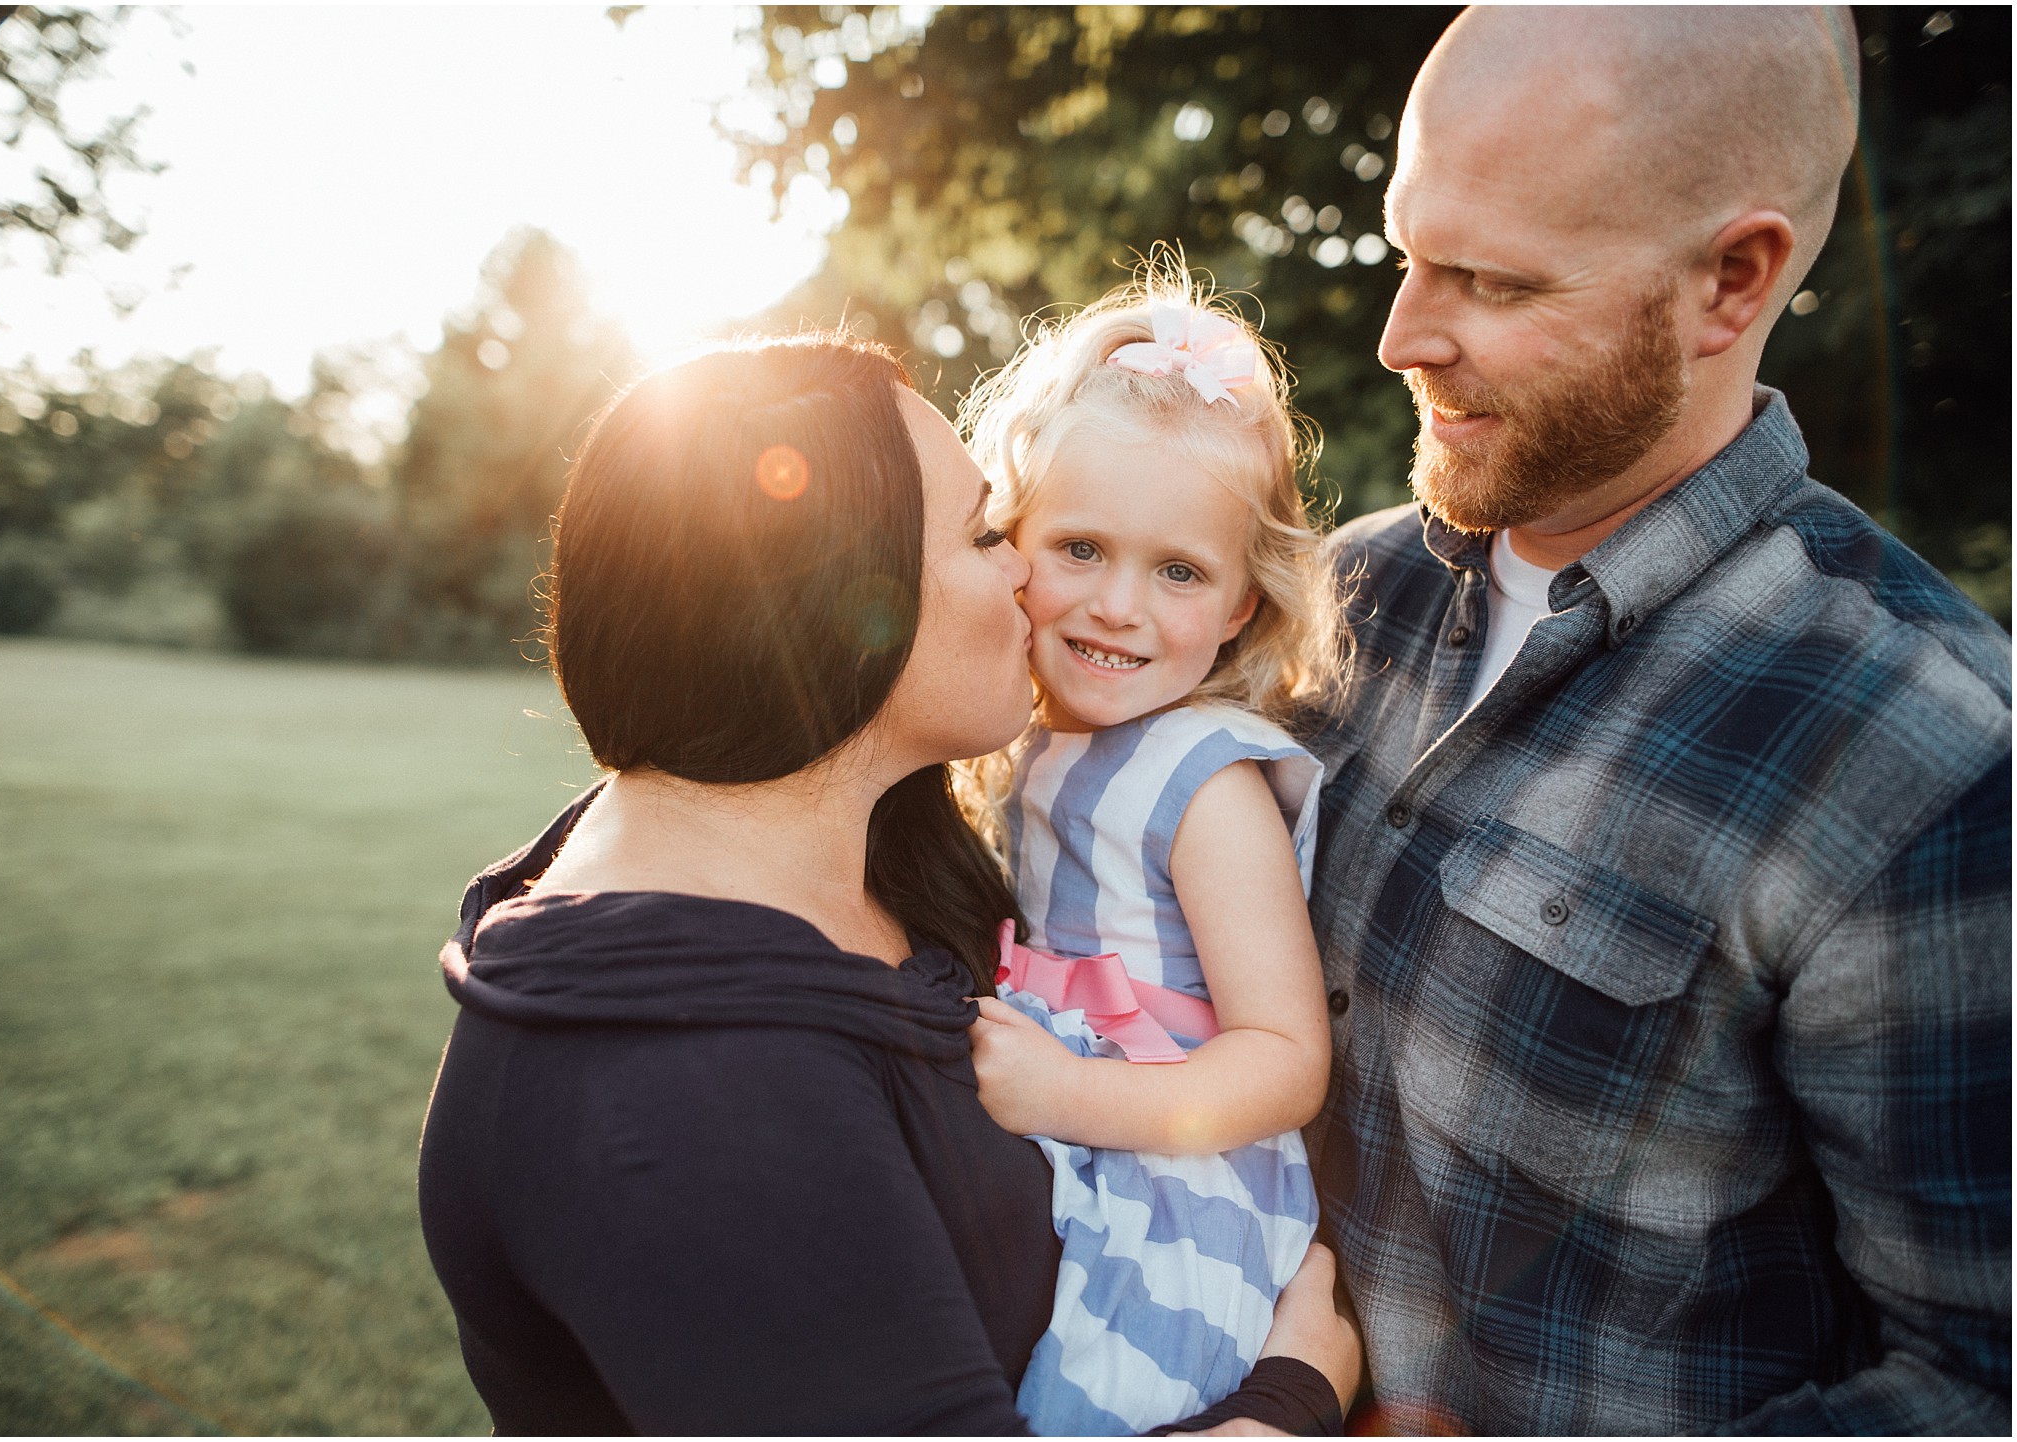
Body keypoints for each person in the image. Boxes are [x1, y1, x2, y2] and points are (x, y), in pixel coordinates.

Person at [416, 334, 1362, 1435]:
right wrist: (1286, 1404)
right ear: (830, 601)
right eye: (982, 532)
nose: (1027, 571)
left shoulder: (890, 855)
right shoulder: (683, 1075)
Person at [1305, 6, 2011, 1434]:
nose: (1398, 336)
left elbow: (1975, 1384)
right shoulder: (1332, 596)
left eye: (1489, 281)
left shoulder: (1921, 754)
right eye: (1403, 251)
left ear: (1727, 282)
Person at [951, 274, 1351, 1435]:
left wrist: (1075, 1091)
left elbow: (1284, 1059)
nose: (1119, 605)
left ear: (1238, 604)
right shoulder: (1016, 737)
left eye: (1178, 570)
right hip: (1064, 1142)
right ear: (1011, 538)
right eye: (1080, 546)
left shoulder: (1204, 779)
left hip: (1178, 1185)